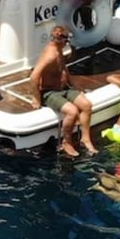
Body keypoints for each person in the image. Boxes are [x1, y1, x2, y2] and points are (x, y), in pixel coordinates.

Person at [31, 25, 96, 157]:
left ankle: (85, 139)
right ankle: (66, 142)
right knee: (72, 112)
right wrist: (36, 98)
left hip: (64, 88)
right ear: (63, 40)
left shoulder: (58, 49)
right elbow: (34, 76)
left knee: (86, 105)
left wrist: (73, 83)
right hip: (50, 92)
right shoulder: (50, 55)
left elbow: (62, 67)